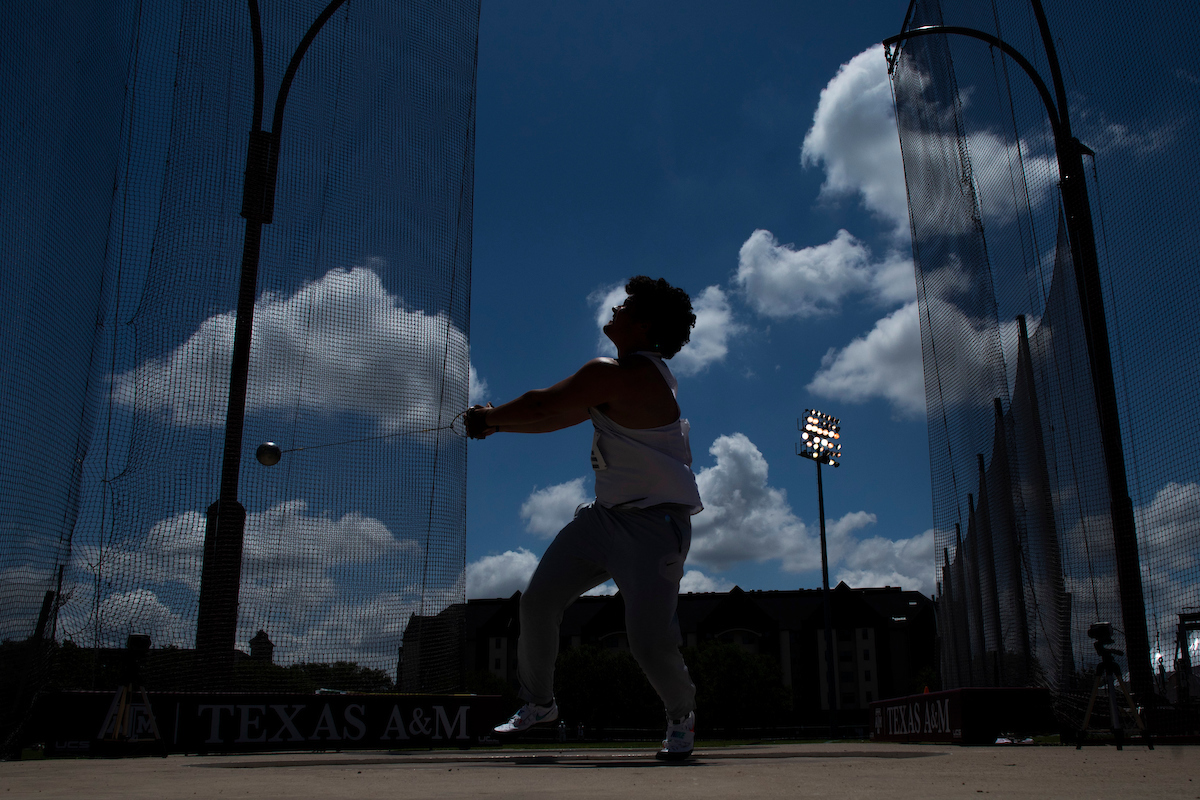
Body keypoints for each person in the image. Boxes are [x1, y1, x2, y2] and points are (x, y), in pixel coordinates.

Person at [464, 276, 702, 761]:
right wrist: (497, 423)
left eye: (628, 306)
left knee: (650, 643)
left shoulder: (623, 373)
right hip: (603, 520)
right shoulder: (616, 379)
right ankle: (540, 703)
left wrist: (489, 418)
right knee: (536, 604)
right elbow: (555, 417)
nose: (616, 307)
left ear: (645, 325)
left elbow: (544, 404)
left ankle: (681, 716)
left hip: (655, 528)